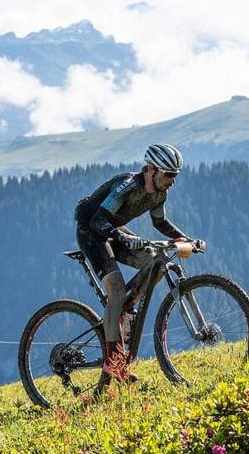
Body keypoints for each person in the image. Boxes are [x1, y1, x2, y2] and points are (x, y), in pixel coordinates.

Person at [74, 143, 201, 381]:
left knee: (155, 260)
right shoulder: (127, 185)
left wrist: (184, 238)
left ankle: (125, 307)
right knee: (116, 291)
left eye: (176, 175)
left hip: (115, 230)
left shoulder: (160, 193)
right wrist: (123, 237)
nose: (173, 180)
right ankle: (114, 363)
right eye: (169, 174)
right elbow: (98, 221)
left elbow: (160, 223)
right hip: (92, 232)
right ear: (152, 170)